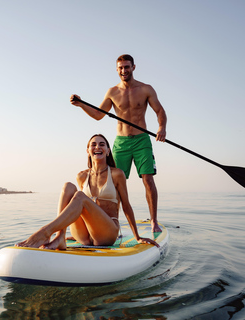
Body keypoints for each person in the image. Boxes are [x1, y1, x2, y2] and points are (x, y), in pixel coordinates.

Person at [70, 54, 167, 233]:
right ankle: (114, 222)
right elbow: (99, 115)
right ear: (117, 69)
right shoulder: (112, 92)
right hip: (121, 143)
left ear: (133, 67)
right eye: (121, 68)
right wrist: (81, 104)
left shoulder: (146, 89)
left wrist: (161, 127)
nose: (124, 70)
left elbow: (159, 110)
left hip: (142, 140)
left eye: (127, 67)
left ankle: (153, 221)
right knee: (114, 182)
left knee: (148, 179)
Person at [16, 134, 158, 250]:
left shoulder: (116, 174)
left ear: (108, 151)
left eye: (102, 144)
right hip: (85, 235)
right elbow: (77, 209)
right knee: (68, 187)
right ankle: (60, 237)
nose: (97, 147)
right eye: (93, 144)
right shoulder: (82, 176)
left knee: (80, 196)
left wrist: (137, 236)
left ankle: (44, 232)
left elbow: (126, 206)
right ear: (88, 151)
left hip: (107, 233)